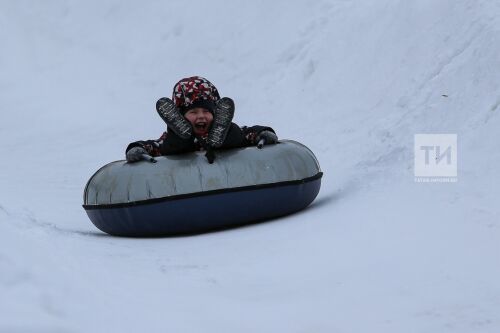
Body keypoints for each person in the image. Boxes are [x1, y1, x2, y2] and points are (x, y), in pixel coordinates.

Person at [125, 76, 278, 163]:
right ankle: (180, 133)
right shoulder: (168, 139)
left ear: (215, 113)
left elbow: (249, 133)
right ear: (180, 115)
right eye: (193, 112)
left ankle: (222, 131)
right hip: (181, 147)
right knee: (172, 143)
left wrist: (262, 133)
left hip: (225, 142)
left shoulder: (221, 127)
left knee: (235, 134)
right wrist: (138, 149)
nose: (201, 116)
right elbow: (155, 146)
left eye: (206, 111)